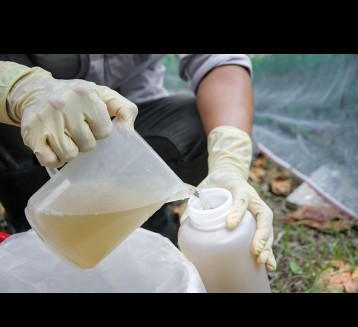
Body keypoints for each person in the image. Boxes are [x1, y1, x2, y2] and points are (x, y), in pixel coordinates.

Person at [0, 54, 276, 271]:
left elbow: (218, 61)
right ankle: (24, 207)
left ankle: (140, 212)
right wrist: (22, 89)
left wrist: (229, 162)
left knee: (199, 128)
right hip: (25, 128)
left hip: (126, 125)